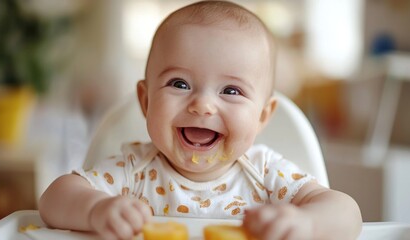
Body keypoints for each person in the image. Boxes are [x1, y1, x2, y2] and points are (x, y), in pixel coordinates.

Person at [39, 1, 362, 240]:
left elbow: (347, 213)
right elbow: (54, 198)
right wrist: (96, 210)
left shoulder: (266, 174)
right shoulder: (133, 170)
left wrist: (305, 224)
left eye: (231, 90)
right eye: (179, 84)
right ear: (146, 100)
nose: (203, 105)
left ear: (263, 116)